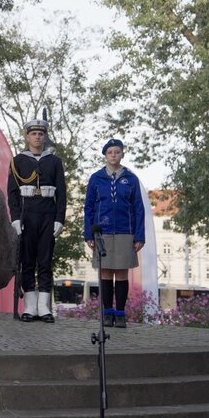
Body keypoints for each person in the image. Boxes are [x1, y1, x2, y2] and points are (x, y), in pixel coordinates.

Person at [7, 119, 67, 323]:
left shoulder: (54, 161)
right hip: (27, 213)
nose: (37, 137)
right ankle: (30, 306)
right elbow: (12, 192)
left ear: (45, 136)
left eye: (41, 134)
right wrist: (15, 217)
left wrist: (59, 219)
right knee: (27, 261)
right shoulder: (18, 161)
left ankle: (43, 307)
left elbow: (62, 193)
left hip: (48, 213)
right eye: (33, 134)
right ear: (27, 137)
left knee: (45, 261)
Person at [83, 138, 145, 328]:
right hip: (102, 232)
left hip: (126, 231)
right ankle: (107, 312)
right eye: (110, 152)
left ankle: (120, 313)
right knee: (106, 272)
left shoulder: (131, 179)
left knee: (122, 272)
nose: (113, 155)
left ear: (122, 154)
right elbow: (89, 207)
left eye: (117, 152)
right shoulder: (96, 178)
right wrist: (88, 234)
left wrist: (140, 235)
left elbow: (138, 208)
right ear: (105, 155)